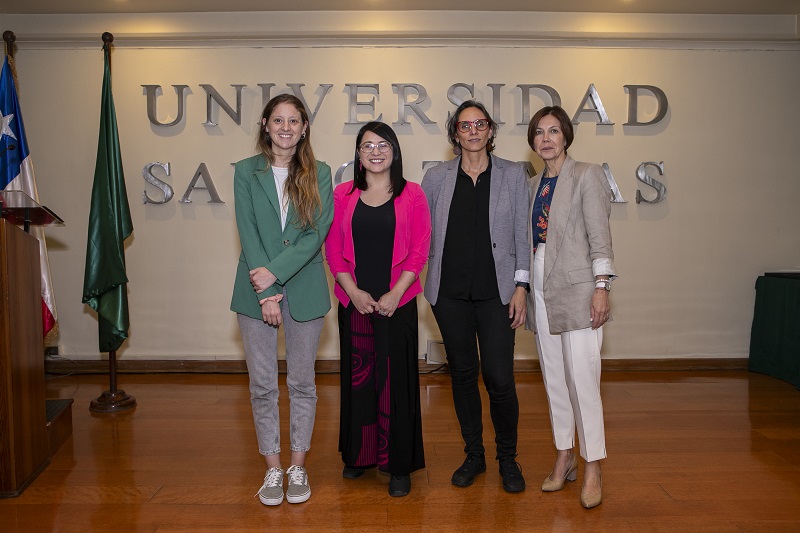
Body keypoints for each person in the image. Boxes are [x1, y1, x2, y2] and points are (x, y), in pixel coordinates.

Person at [421, 100, 529, 493]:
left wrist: (521, 286)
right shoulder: (436, 178)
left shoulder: (513, 175)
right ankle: (474, 455)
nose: (473, 131)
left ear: (490, 130)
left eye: (479, 123)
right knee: (463, 376)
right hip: (448, 295)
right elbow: (422, 235)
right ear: (455, 134)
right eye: (465, 125)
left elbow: (523, 235)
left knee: (499, 379)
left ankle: (507, 458)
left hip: (498, 294)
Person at [230, 94, 333, 507]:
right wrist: (267, 288)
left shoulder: (319, 172)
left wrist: (275, 274)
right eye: (278, 120)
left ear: (304, 127)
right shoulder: (245, 171)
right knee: (261, 385)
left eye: (294, 121)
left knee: (302, 383)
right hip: (254, 290)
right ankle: (272, 469)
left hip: (305, 288)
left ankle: (297, 466)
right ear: (265, 124)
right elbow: (248, 230)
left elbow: (315, 233)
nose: (286, 127)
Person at [325, 121, 430, 497]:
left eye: (382, 144)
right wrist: (352, 291)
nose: (375, 151)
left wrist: (394, 292)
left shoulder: (413, 194)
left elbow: (419, 250)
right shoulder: (342, 194)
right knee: (359, 382)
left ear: (394, 151)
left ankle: (397, 464)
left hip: (396, 304)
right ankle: (360, 455)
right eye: (367, 145)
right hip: (354, 302)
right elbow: (333, 249)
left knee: (394, 383)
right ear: (358, 154)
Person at [525, 105, 617, 509]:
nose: (546, 138)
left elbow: (600, 237)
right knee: (554, 377)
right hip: (539, 283)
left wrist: (602, 287)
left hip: (579, 286)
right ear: (533, 141)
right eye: (539, 133)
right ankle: (565, 454)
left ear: (566, 136)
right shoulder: (531, 186)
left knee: (583, 379)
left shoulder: (587, 174)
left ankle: (593, 462)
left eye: (554, 131)